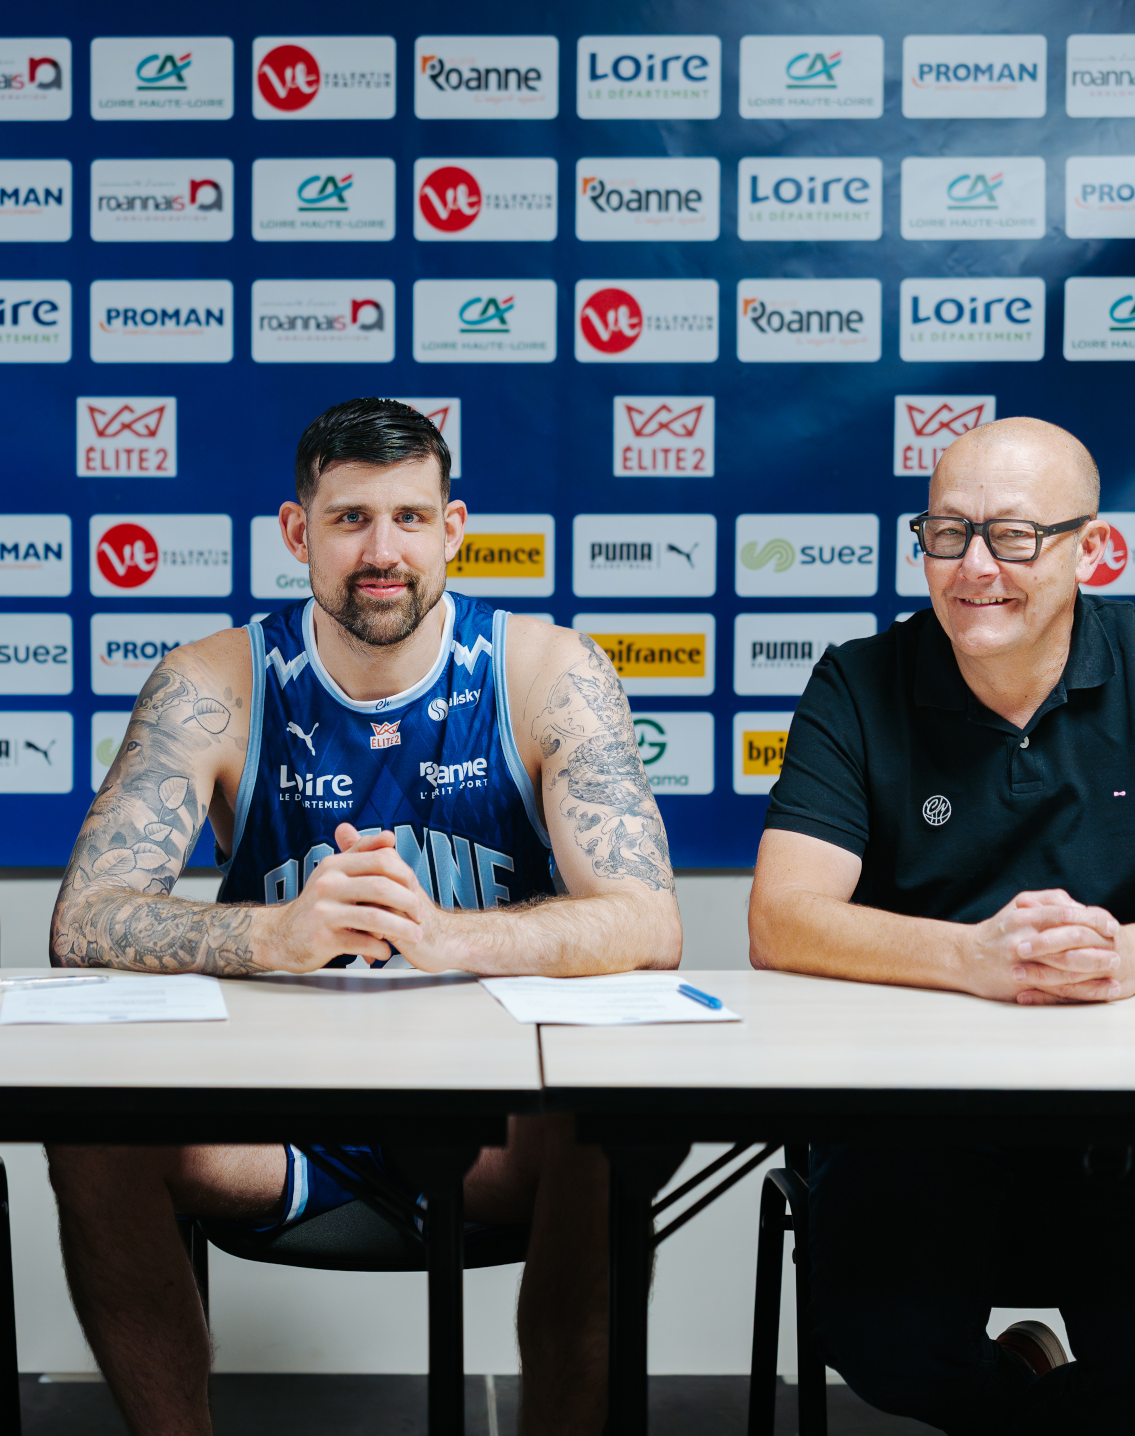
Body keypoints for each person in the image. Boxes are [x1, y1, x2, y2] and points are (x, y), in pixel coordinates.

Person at [44, 397, 681, 1435]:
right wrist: (276, 935)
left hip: (492, 1124)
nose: (382, 551)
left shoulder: (544, 671)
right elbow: (84, 921)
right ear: (298, 531)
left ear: (453, 529)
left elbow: (649, 921)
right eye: (349, 520)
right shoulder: (214, 681)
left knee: (606, 1132)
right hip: (276, 1120)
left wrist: (451, 937)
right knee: (93, 1132)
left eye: (410, 518)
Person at [748, 416, 1135, 1435]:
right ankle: (1030, 1391)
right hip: (911, 1107)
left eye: (1013, 537)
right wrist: (969, 958)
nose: (975, 568)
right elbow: (782, 920)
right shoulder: (858, 681)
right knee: (885, 1349)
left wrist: (1128, 957)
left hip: (1133, 1112)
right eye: (947, 533)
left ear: (1089, 548)